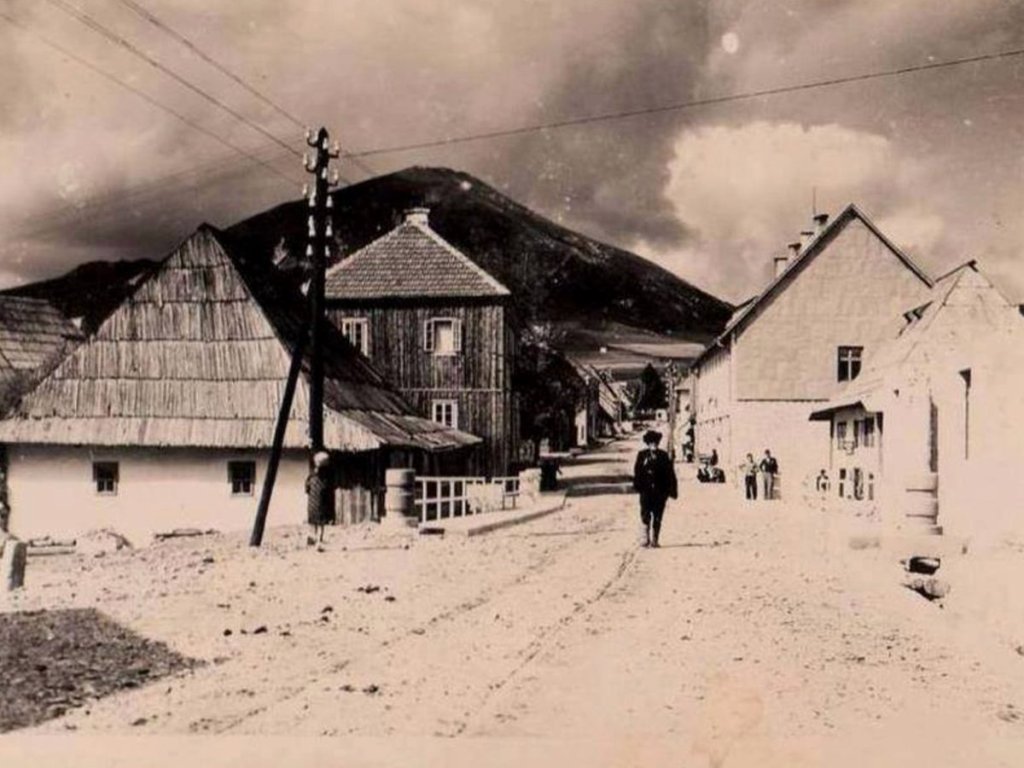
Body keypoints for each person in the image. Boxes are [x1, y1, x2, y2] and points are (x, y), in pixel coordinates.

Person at [633, 430, 678, 548]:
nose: (654, 445)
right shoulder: (642, 455)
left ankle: (655, 539)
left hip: (660, 492)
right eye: (651, 443)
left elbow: (670, 473)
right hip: (646, 491)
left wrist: (671, 490)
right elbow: (637, 471)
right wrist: (638, 486)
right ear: (647, 443)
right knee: (645, 514)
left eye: (655, 442)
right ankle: (645, 539)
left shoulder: (663, 456)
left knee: (658, 516)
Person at [306, 451, 336, 545]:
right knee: (321, 524)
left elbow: (307, 489)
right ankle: (319, 540)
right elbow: (328, 492)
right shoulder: (325, 480)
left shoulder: (311, 478)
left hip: (312, 504)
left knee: (314, 522)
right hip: (321, 504)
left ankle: (314, 538)